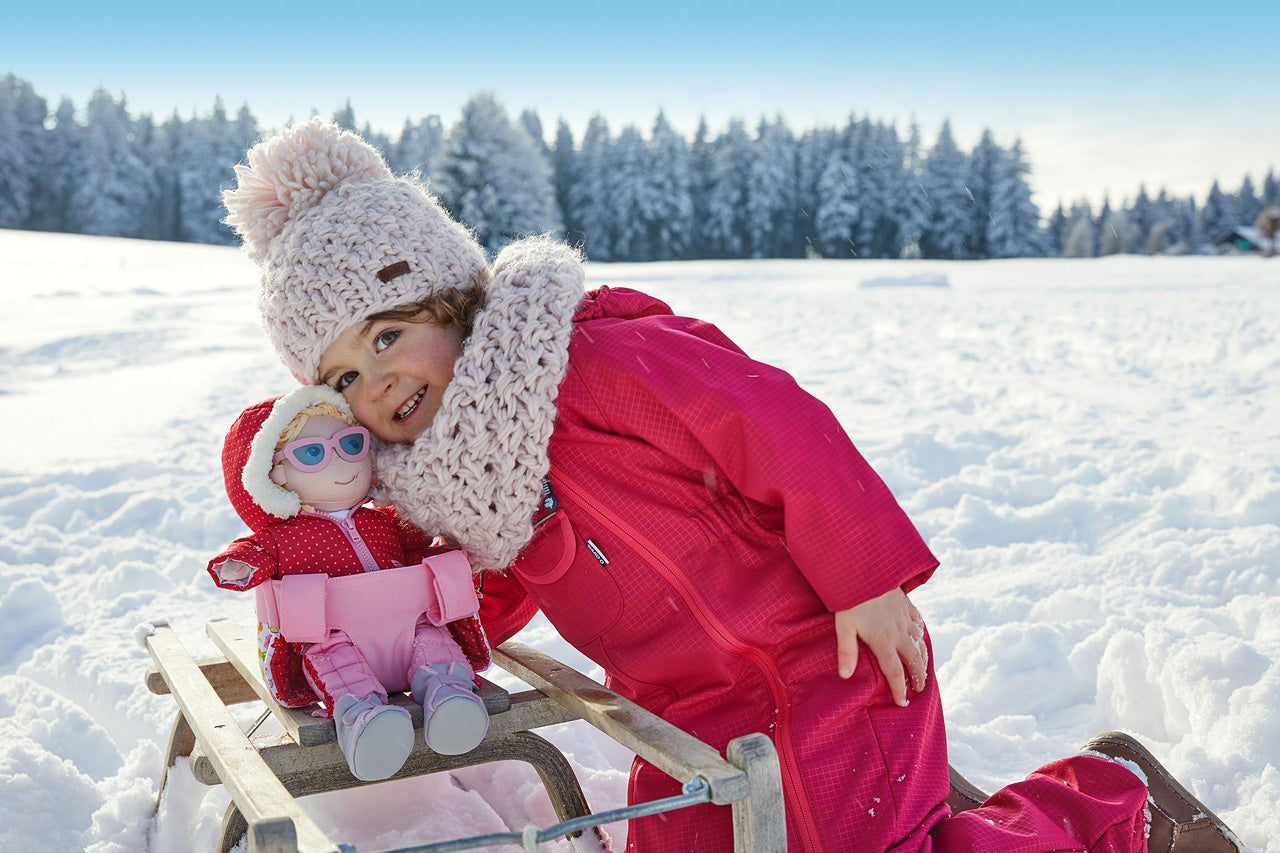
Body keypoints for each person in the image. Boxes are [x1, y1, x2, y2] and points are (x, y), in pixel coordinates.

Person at [222, 118, 1241, 853]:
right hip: (687, 709)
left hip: (823, 666)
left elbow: (775, 426)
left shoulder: (595, 361)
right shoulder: (456, 486)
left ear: (449, 293)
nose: (381, 379)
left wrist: (862, 577)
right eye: (345, 374)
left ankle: (1107, 799)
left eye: (390, 333)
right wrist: (392, 643)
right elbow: (485, 593)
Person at [208, 384, 491, 781]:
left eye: (351, 443)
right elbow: (256, 553)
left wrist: (443, 524)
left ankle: (450, 698)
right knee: (335, 663)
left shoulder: (384, 521)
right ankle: (365, 722)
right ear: (272, 475)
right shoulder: (284, 536)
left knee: (433, 639)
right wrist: (238, 564)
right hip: (335, 638)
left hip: (409, 626)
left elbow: (421, 534)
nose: (342, 462)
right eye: (312, 453)